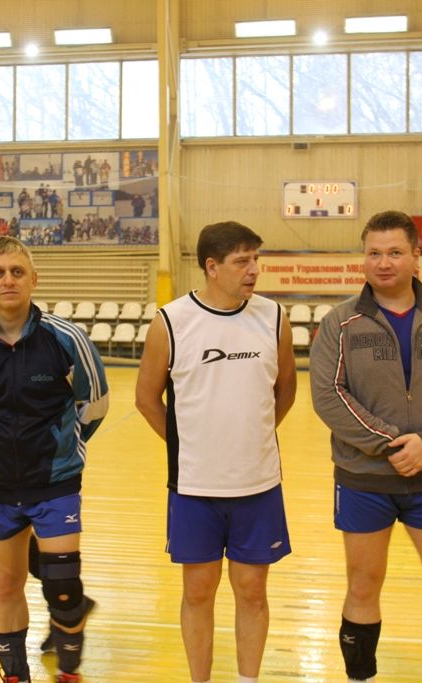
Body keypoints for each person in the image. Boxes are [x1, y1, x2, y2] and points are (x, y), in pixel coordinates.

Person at [309, 210, 422, 683]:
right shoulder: (340, 324)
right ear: (363, 259)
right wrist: (393, 444)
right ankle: (360, 677)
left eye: (394, 252)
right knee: (363, 585)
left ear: (415, 257)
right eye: (374, 253)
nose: (383, 263)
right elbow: (328, 396)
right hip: (364, 481)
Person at [135, 221, 298, 683]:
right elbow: (146, 398)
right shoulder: (171, 321)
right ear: (212, 266)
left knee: (252, 591)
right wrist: (188, 444)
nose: (254, 270)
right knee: (198, 591)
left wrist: (252, 436)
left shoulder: (274, 318)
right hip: (194, 487)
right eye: (242, 261)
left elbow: (286, 390)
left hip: (258, 484)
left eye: (256, 260)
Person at [0, 236, 109, 683]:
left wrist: (63, 445)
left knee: (63, 589)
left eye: (17, 272)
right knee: (5, 584)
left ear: (33, 279)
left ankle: (69, 672)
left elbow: (95, 405)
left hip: (56, 484)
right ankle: (15, 675)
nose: (8, 280)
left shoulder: (67, 338)